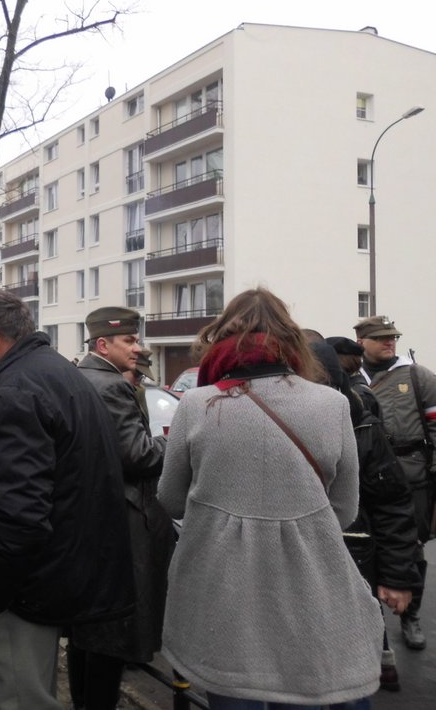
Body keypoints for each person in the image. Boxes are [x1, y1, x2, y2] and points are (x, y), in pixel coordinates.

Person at [158, 288, 382, 710]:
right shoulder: (333, 404)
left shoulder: (196, 404)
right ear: (292, 341)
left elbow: (170, 499)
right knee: (298, 687)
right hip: (305, 582)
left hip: (222, 585)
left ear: (220, 339)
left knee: (231, 689)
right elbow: (345, 508)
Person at [0, 289, 134, 710]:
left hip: (25, 587)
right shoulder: (58, 372)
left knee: (21, 700)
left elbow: (18, 515)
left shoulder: (16, 391)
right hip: (56, 573)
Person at [70, 308, 175, 710]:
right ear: (102, 345)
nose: (138, 347)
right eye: (129, 341)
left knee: (87, 632)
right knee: (112, 634)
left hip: (90, 517)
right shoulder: (112, 385)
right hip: (122, 518)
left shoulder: (80, 377)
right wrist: (175, 440)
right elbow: (137, 455)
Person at [324, 336, 421, 691]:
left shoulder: (360, 407)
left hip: (359, 529)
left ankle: (380, 660)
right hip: (359, 530)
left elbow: (390, 499)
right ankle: (381, 660)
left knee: (360, 601)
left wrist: (397, 575)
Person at [354, 314, 436, 651]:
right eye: (381, 338)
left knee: (411, 547)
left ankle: (410, 616)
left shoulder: (418, 376)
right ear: (361, 341)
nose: (390, 342)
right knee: (366, 546)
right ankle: (369, 619)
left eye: (393, 337)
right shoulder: (350, 376)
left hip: (411, 474)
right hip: (366, 478)